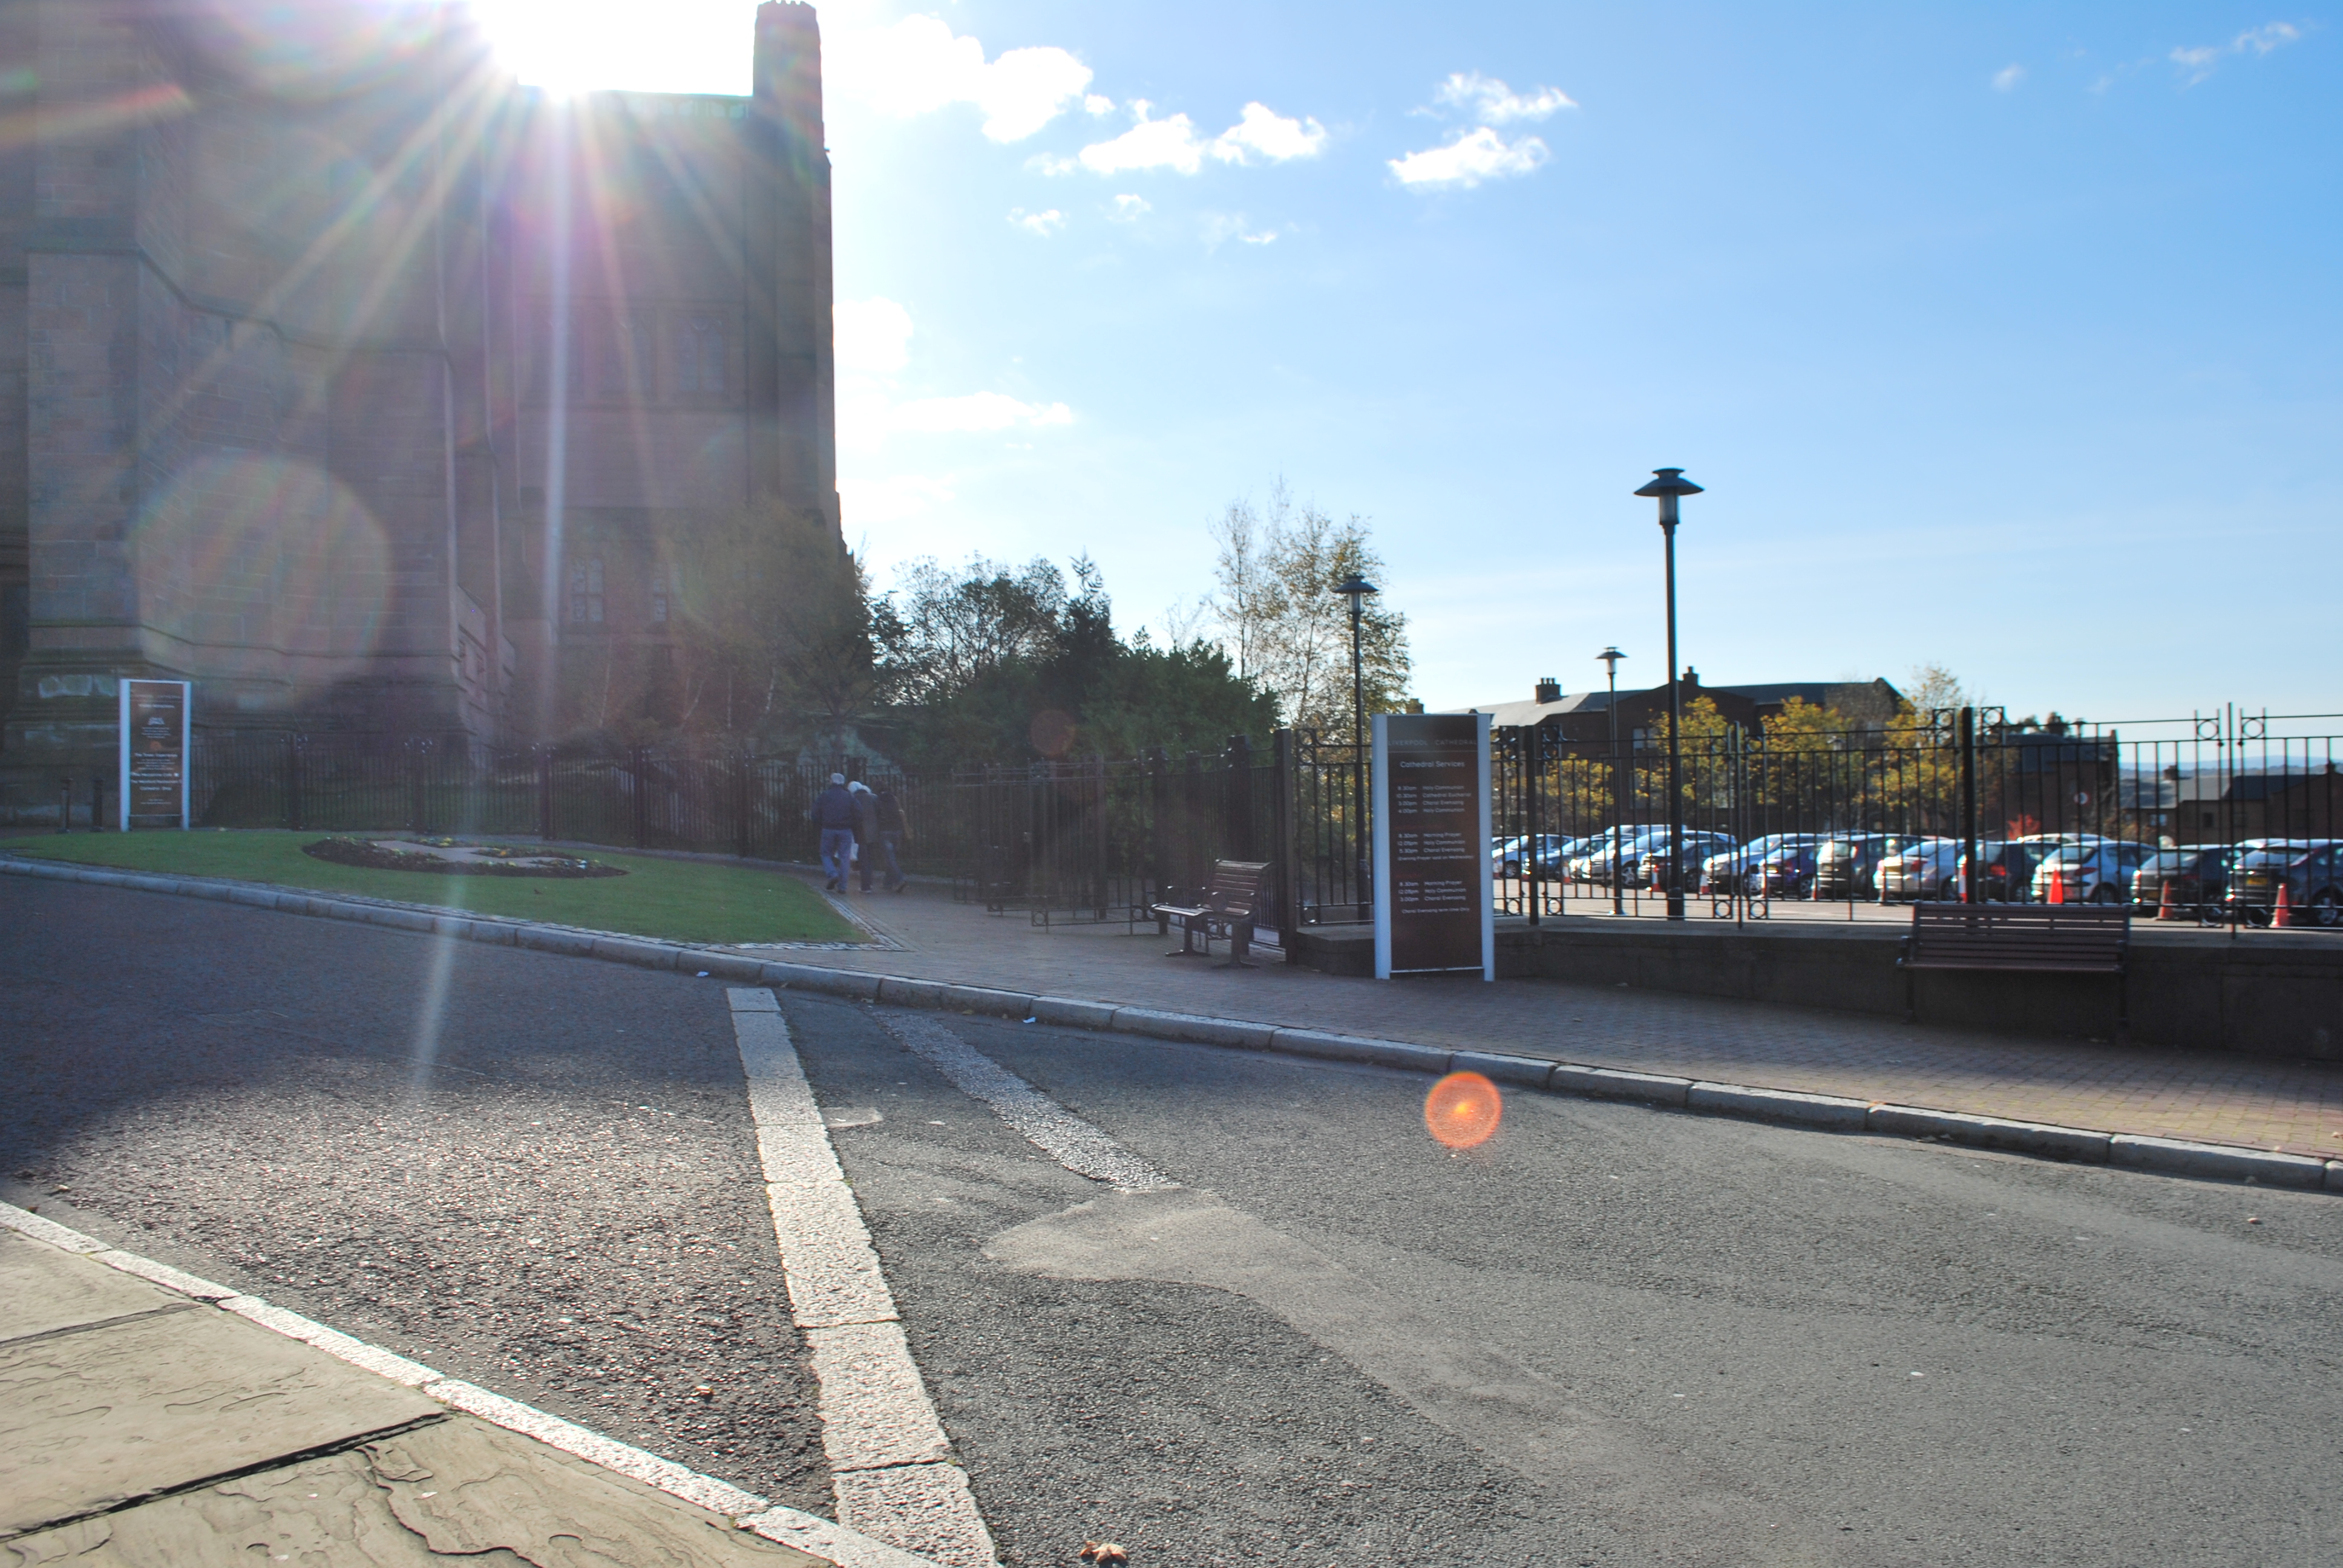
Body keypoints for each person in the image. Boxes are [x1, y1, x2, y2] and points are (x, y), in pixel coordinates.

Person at [813, 773, 856, 891]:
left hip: (828, 828)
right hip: (845, 829)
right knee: (844, 857)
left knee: (825, 854)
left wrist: (820, 824)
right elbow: (858, 812)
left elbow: (815, 813)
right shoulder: (849, 796)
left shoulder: (825, 795)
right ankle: (843, 886)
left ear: (831, 781)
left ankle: (832, 874)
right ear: (843, 782)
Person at [873, 784, 909, 893]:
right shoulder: (894, 799)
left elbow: (876, 816)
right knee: (892, 857)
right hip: (898, 831)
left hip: (885, 831)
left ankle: (900, 879)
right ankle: (887, 882)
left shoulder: (877, 800)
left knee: (890, 858)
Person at [848, 780, 880, 892]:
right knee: (870, 859)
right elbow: (879, 813)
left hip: (860, 832)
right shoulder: (873, 798)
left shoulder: (853, 799)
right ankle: (869, 884)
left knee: (863, 860)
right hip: (873, 832)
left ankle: (865, 886)